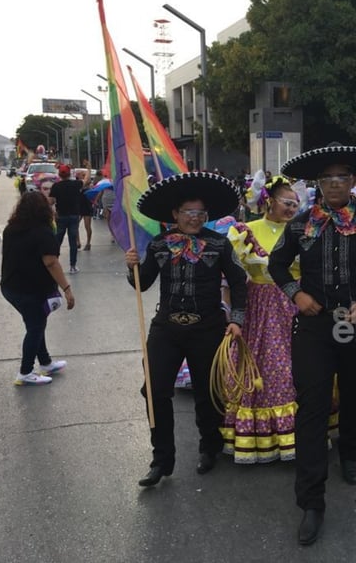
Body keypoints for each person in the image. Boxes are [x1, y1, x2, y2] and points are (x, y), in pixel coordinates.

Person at [268, 144, 356, 546]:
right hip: (313, 325)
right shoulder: (299, 225)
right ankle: (311, 500)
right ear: (318, 184)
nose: (333, 184)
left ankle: (349, 452)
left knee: (353, 394)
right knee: (311, 404)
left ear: (354, 182)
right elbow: (278, 264)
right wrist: (296, 293)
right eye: (326, 178)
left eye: (341, 178)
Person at [128, 172, 248, 487]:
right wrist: (133, 268)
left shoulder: (219, 244)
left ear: (206, 216)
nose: (194, 219)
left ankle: (209, 447)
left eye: (199, 214)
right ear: (175, 215)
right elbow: (142, 284)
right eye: (188, 213)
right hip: (166, 328)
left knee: (209, 393)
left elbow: (238, 282)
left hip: (208, 328)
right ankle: (161, 459)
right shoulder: (159, 244)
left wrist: (236, 319)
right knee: (154, 392)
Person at [222, 177, 305, 463]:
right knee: (261, 370)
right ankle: (261, 436)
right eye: (287, 202)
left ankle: (297, 434)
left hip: (295, 304)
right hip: (259, 309)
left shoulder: (302, 230)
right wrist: (234, 316)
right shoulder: (246, 231)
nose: (292, 208)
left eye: (296, 203)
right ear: (269, 200)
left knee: (297, 367)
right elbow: (231, 279)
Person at [0, 192, 73, 386]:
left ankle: (46, 362)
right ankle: (25, 372)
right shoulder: (43, 231)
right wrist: (67, 288)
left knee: (36, 323)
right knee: (35, 327)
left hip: (10, 287)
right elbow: (51, 262)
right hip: (29, 290)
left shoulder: (11, 229)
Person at [48, 164, 84, 274]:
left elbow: (51, 202)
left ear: (59, 174)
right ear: (70, 174)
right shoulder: (76, 184)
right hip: (74, 216)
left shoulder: (56, 186)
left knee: (57, 240)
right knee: (73, 242)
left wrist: (54, 211)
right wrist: (87, 168)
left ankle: (54, 263)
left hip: (61, 216)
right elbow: (86, 180)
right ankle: (73, 266)